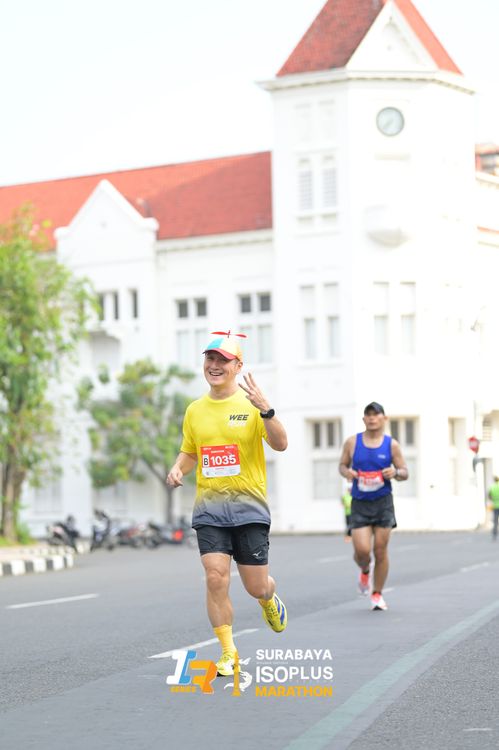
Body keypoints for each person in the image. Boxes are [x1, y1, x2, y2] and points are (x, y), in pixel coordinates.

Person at [167, 331, 288, 676]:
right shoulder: (195, 410)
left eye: (223, 360)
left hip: (249, 508)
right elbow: (191, 451)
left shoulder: (252, 406)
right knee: (215, 576)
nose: (215, 365)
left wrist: (267, 411)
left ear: (238, 366)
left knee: (256, 586)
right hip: (210, 509)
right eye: (210, 358)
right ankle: (228, 651)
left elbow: (281, 444)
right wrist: (178, 468)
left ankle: (268, 597)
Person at [339, 402, 408, 611]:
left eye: (375, 414)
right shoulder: (352, 442)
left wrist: (395, 473)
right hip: (360, 503)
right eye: (368, 415)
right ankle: (364, 570)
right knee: (362, 551)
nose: (371, 418)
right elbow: (342, 465)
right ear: (363, 419)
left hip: (383, 503)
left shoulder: (391, 445)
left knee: (380, 550)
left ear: (384, 418)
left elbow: (405, 472)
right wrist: (347, 472)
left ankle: (377, 594)